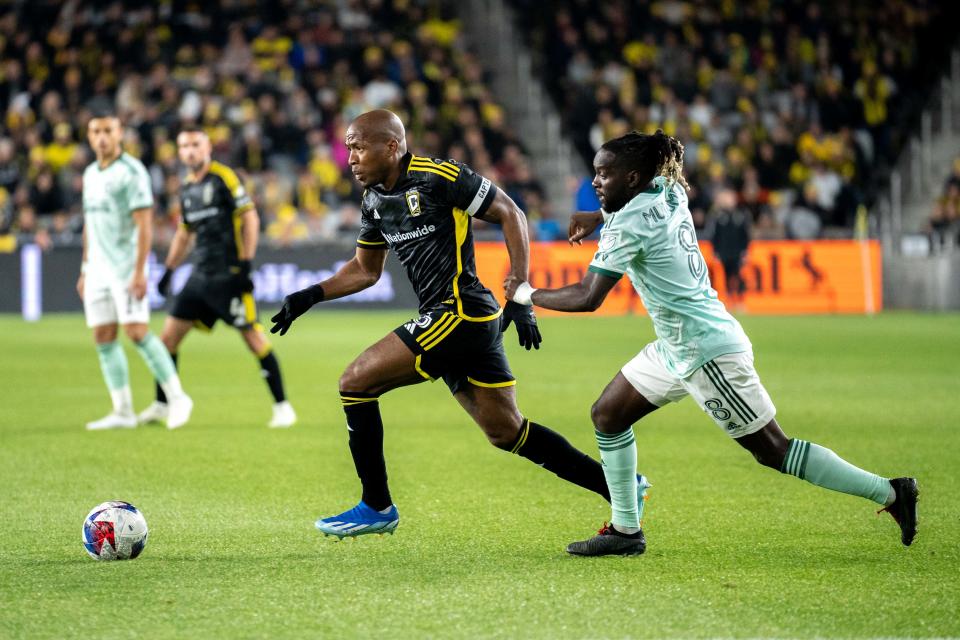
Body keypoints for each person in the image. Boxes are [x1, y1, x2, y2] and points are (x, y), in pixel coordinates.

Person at [505, 130, 918, 556]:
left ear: (631, 178)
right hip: (676, 345)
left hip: (706, 353)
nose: (595, 183)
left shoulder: (627, 222)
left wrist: (523, 293)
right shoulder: (668, 187)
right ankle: (626, 531)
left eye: (604, 175)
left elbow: (588, 297)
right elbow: (642, 215)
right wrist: (601, 217)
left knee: (774, 450)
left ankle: (890, 492)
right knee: (607, 415)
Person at [269, 109, 650, 539]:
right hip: (460, 319)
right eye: (349, 148)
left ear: (391, 146)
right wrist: (310, 295)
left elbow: (512, 214)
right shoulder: (374, 200)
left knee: (355, 381)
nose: (350, 157)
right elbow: (365, 270)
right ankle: (621, 488)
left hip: (458, 313)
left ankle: (376, 505)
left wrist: (520, 294)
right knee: (506, 431)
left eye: (358, 146)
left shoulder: (437, 176)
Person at [138, 127, 296, 428]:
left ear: (207, 147)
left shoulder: (224, 177)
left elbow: (250, 217)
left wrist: (246, 264)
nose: (189, 151)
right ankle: (161, 404)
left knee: (253, 339)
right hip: (199, 275)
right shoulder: (185, 188)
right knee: (167, 340)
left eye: (195, 144)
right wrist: (170, 269)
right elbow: (185, 233)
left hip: (229, 275)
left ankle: (283, 407)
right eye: (184, 146)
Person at [78, 109, 193, 430]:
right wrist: (86, 268)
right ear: (89, 136)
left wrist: (141, 271)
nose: (101, 137)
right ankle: (123, 410)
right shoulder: (89, 174)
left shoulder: (132, 172)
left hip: (126, 267)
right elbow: (90, 223)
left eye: (107, 131)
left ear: (119, 134)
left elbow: (144, 226)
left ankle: (178, 397)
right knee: (103, 335)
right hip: (98, 268)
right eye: (95, 131)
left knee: (136, 331)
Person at [706, 189, 750, 310]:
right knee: (726, 276)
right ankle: (730, 300)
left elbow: (745, 235)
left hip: (737, 252)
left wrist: (745, 251)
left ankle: (740, 300)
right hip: (724, 252)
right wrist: (715, 251)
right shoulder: (718, 216)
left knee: (738, 276)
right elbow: (714, 236)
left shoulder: (740, 215)